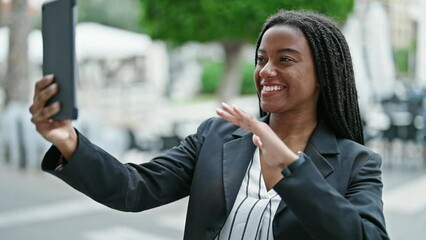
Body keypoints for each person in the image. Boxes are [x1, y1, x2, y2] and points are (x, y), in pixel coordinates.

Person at [29, 9, 389, 240]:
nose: (266, 71)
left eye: (286, 60)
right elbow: (134, 188)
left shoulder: (357, 163)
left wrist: (292, 167)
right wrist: (68, 140)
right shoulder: (217, 136)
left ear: (323, 75)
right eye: (261, 59)